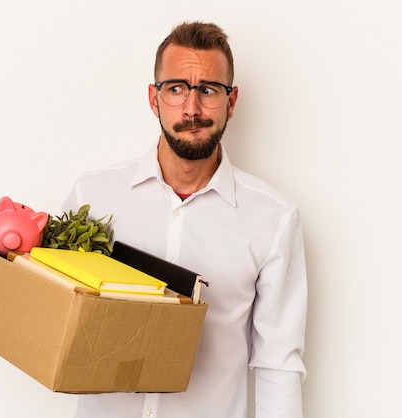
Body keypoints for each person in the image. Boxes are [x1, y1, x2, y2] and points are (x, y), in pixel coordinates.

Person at [63, 21, 308, 418]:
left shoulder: (273, 219)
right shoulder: (93, 197)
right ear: (153, 98)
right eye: (176, 89)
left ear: (231, 101)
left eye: (208, 90)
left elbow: (277, 363)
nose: (191, 109)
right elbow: (58, 314)